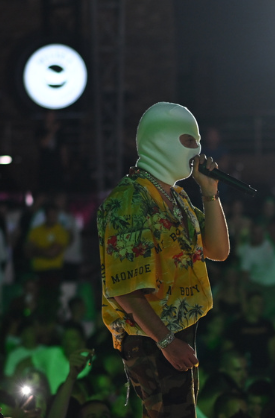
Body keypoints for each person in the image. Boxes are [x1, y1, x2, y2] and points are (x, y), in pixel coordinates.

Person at [98, 102, 229, 417]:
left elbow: (217, 250)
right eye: (188, 140)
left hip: (174, 332)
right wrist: (166, 340)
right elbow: (124, 288)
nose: (197, 150)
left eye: (198, 141)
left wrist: (210, 192)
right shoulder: (129, 201)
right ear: (160, 140)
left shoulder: (176, 197)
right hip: (151, 337)